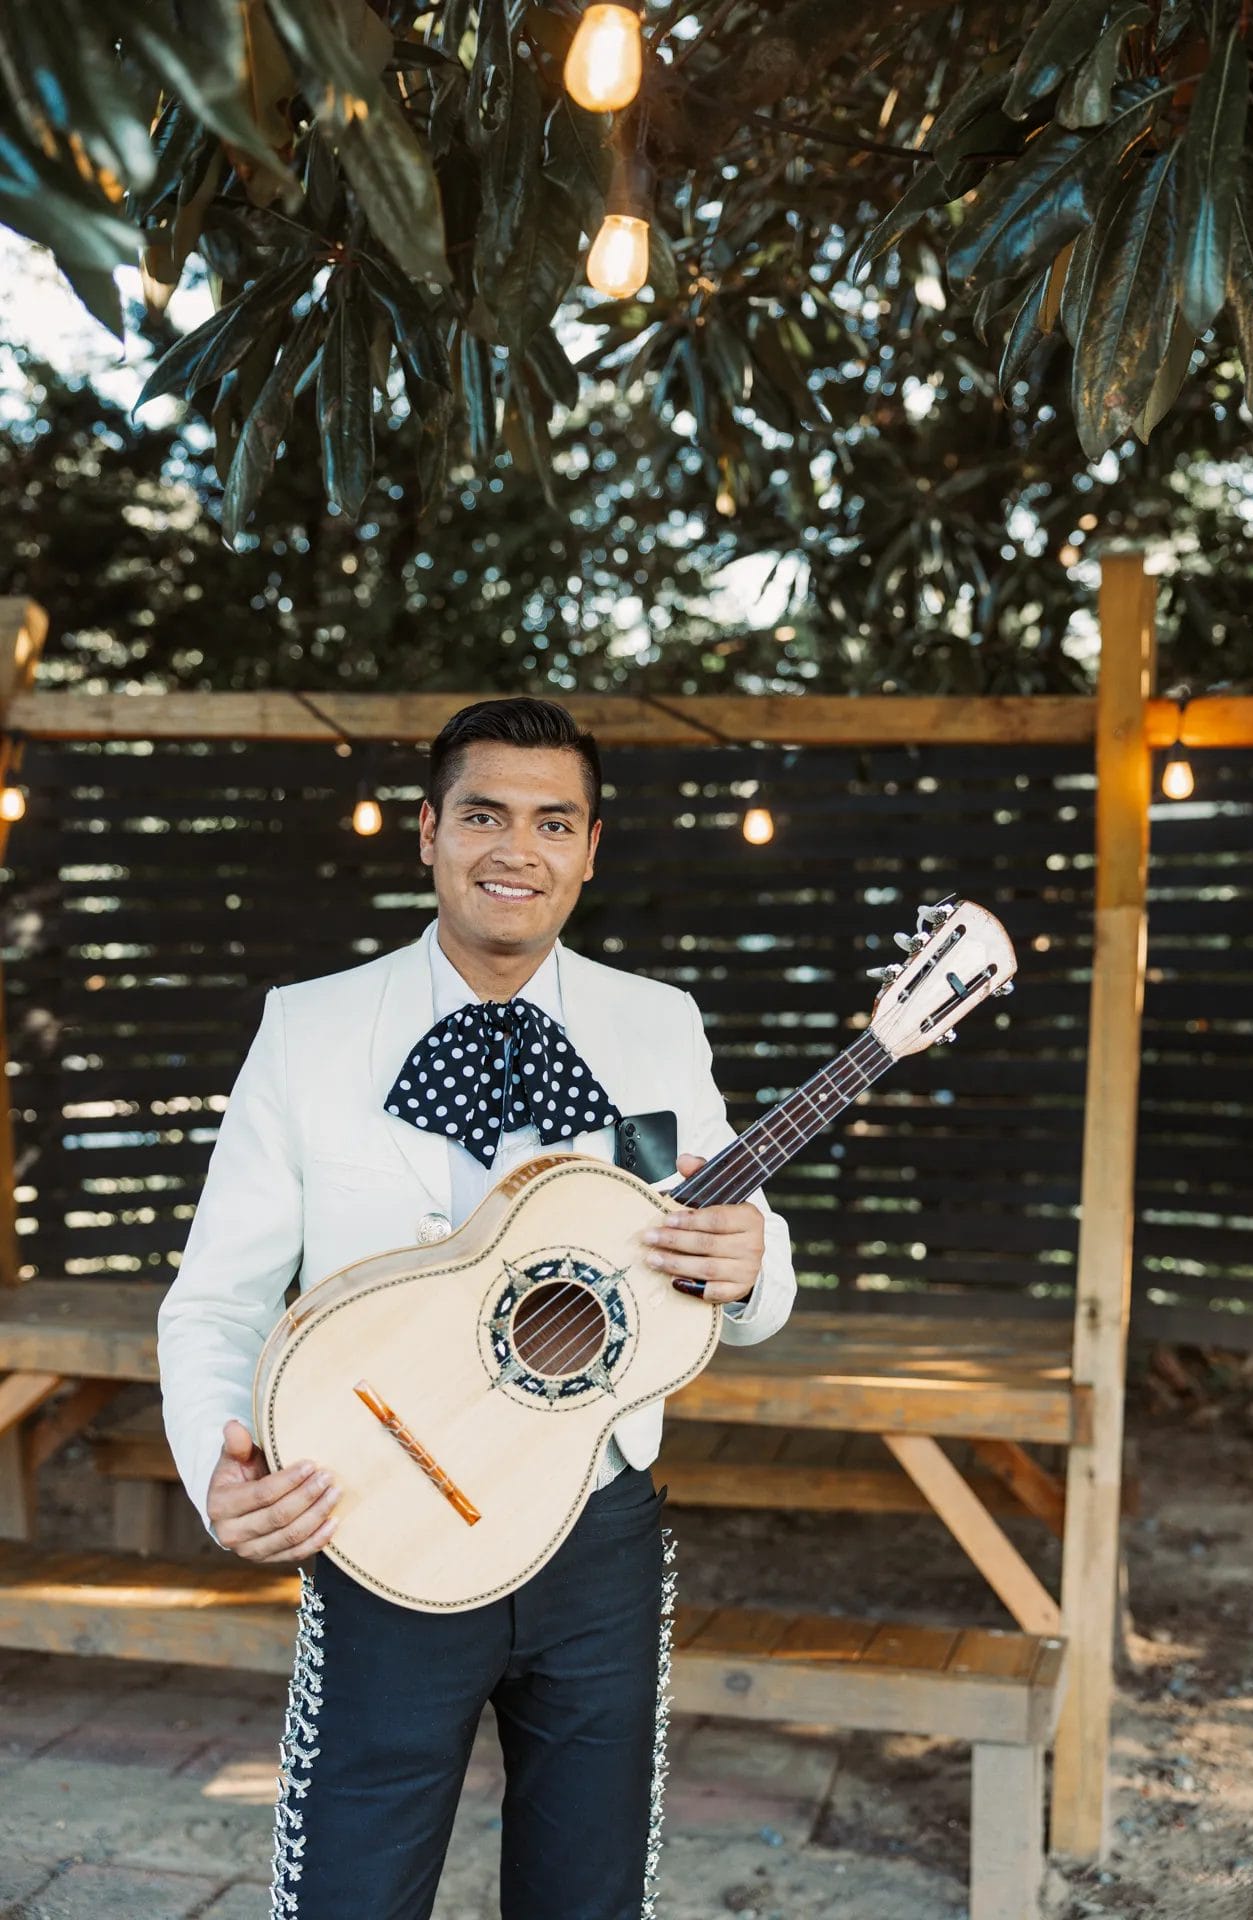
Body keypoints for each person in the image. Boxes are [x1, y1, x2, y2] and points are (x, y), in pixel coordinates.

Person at [157, 696, 796, 1920]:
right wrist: (215, 1470)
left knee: (588, 1897)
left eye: (554, 822)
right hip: (381, 1520)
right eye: (485, 816)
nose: (519, 850)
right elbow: (215, 1303)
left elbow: (751, 1287)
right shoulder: (311, 1028)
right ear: (428, 834)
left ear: (593, 847)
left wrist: (751, 1253)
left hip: (598, 1532)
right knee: (350, 1890)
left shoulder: (658, 1025)